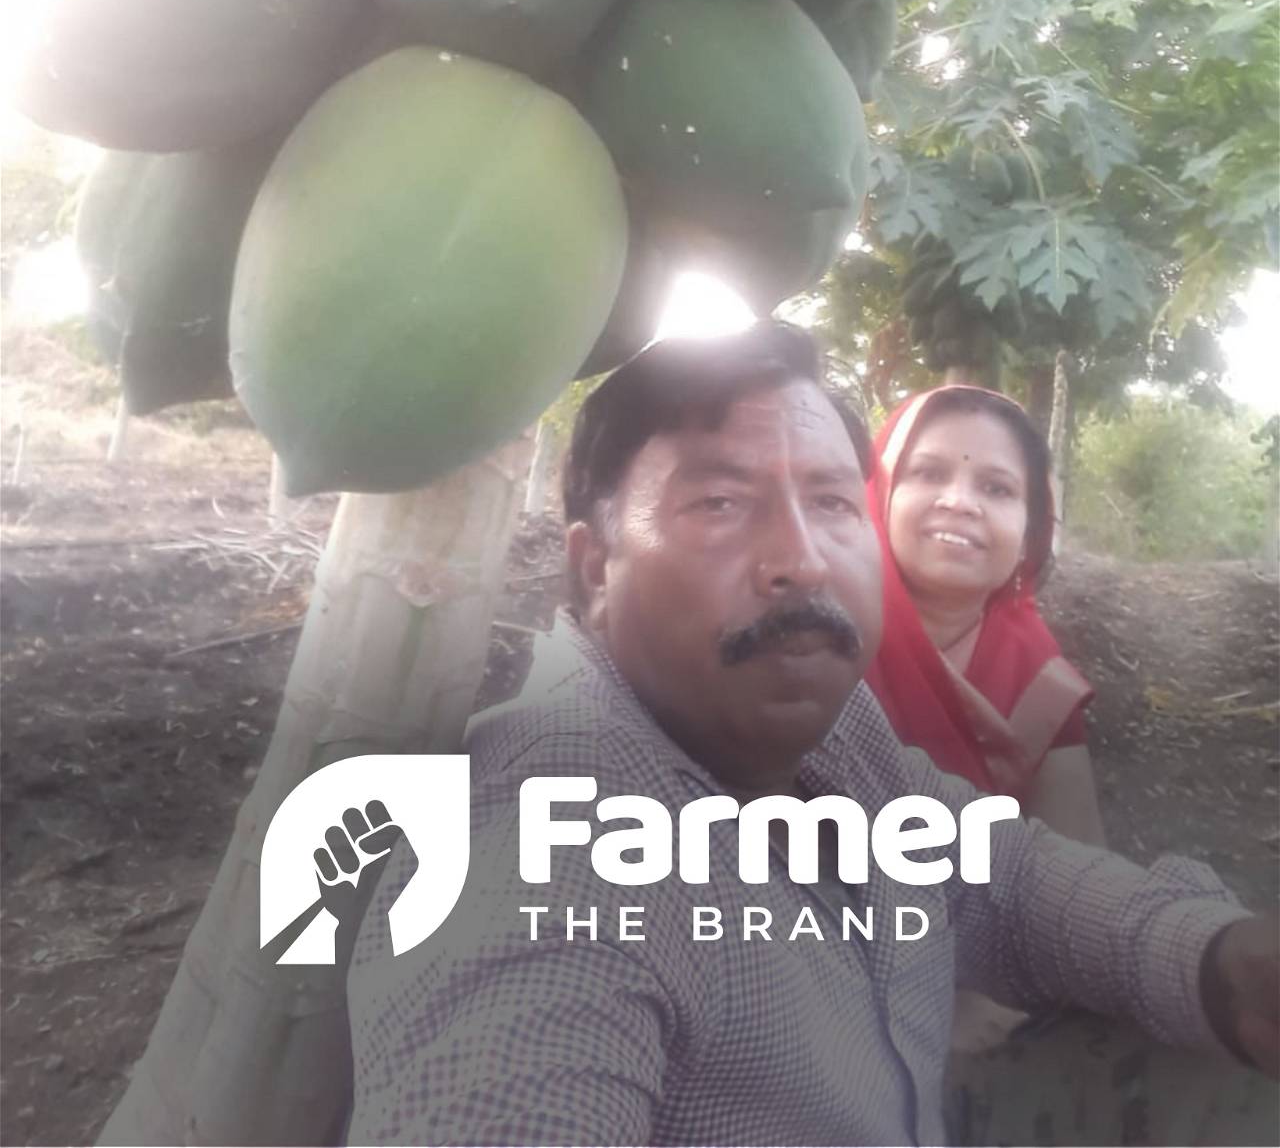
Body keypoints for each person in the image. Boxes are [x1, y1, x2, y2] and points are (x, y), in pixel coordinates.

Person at [344, 322, 1278, 1147]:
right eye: (719, 503)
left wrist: (1222, 965)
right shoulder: (545, 867)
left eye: (833, 503)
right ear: (593, 570)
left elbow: (1006, 883)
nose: (801, 562)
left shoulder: (832, 743)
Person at [866, 384, 1105, 844]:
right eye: (928, 473)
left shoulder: (1040, 686)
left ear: (1028, 535)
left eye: (997, 488)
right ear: (880, 497)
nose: (958, 502)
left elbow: (1083, 871)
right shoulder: (817, 637)